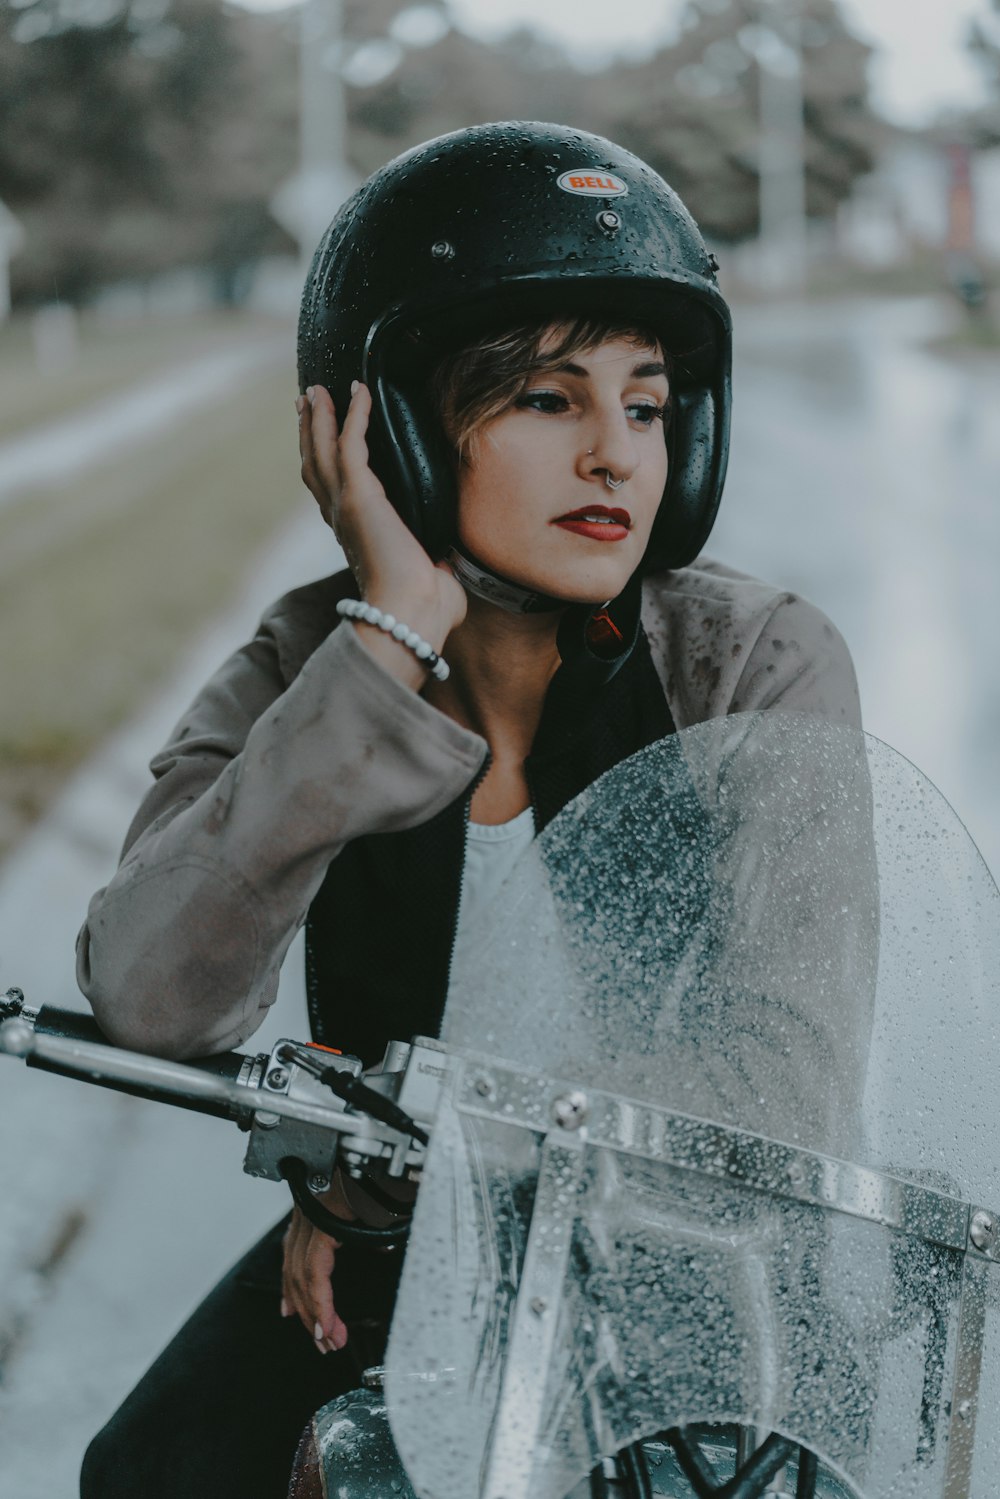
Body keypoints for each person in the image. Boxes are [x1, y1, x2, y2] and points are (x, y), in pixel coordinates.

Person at [77, 121, 861, 1498]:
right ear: (388, 437)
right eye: (549, 401)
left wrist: (396, 1164)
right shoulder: (307, 664)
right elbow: (152, 997)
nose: (618, 454)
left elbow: (781, 1091)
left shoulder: (753, 662)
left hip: (705, 1277)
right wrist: (381, 657)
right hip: (406, 1262)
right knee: (153, 1470)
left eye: (648, 400)